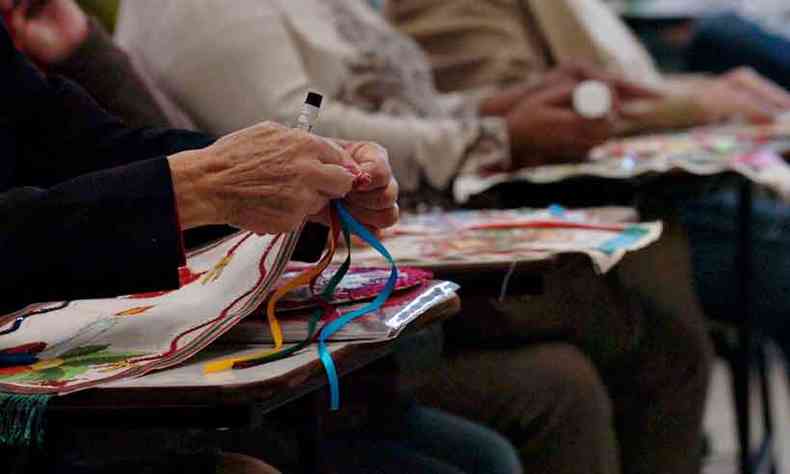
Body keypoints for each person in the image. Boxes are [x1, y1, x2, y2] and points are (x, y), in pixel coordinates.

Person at [113, 2, 713, 474]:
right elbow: (300, 133)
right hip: (326, 282)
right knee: (630, 330)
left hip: (393, 249)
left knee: (633, 334)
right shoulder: (198, 9)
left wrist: (499, 108)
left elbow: (393, 108)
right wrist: (494, 135)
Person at [386, 0, 790, 377]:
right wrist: (699, 103)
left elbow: (610, 84)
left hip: (626, 197)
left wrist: (701, 94)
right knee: (635, 352)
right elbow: (544, 113)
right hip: (565, 206)